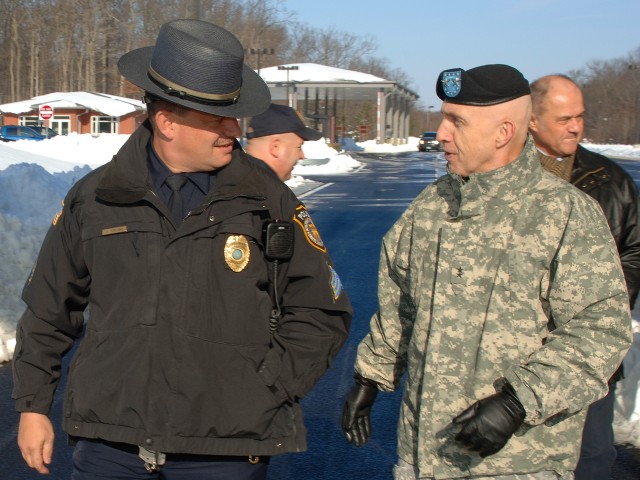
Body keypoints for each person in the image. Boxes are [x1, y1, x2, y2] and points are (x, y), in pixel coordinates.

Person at [12, 19, 351, 480]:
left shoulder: (266, 198)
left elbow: (321, 309)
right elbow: (50, 308)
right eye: (217, 119)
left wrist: (266, 387)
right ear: (168, 121)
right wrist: (33, 406)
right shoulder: (96, 198)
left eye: (233, 115)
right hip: (110, 447)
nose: (233, 129)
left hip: (224, 450)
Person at [341, 64, 632, 480]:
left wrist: (518, 402)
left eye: (456, 121)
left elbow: (600, 330)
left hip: (517, 463)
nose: (441, 133)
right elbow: (400, 307)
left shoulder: (563, 215)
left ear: (503, 132)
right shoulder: (430, 208)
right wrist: (370, 377)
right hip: (425, 457)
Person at [529, 74, 640, 480]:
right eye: (563, 119)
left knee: (591, 459)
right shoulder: (501, 178)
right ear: (532, 121)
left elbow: (636, 248)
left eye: (580, 116)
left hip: (592, 353)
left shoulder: (611, 180)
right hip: (520, 354)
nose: (576, 127)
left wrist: (601, 299)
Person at [245, 103, 323, 182]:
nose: (302, 156)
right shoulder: (258, 189)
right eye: (299, 147)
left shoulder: (244, 181)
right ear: (275, 147)